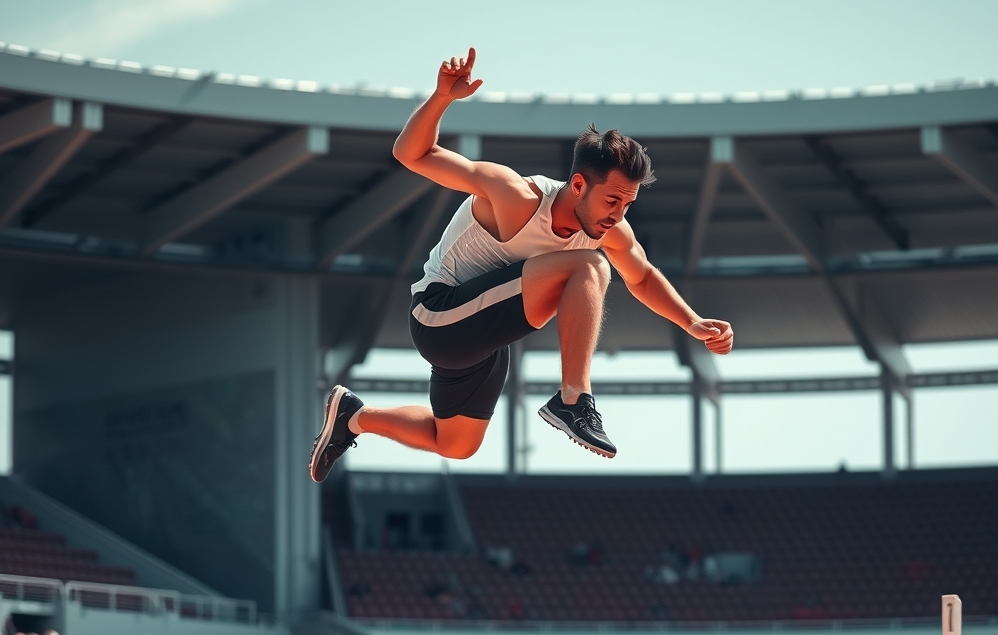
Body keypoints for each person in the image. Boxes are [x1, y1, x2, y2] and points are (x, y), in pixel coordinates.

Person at [308, 48, 733, 481]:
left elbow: (641, 277)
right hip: (438, 315)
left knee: (455, 444)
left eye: (627, 204)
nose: (618, 215)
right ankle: (574, 398)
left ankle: (353, 417)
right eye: (611, 200)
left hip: (483, 338)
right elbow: (412, 154)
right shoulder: (516, 195)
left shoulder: (611, 229)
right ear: (579, 184)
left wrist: (693, 322)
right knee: (589, 267)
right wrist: (440, 98)